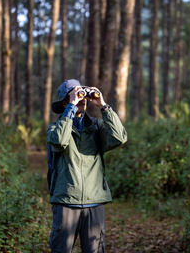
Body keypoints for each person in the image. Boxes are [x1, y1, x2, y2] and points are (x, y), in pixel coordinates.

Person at [47, 79, 127, 253]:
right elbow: (60, 141)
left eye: (82, 93)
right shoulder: (54, 128)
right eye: (75, 95)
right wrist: (71, 109)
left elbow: (120, 137)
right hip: (66, 202)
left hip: (94, 201)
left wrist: (103, 106)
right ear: (64, 102)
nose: (81, 98)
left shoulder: (96, 128)